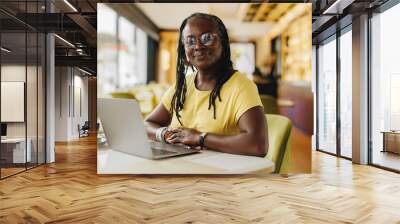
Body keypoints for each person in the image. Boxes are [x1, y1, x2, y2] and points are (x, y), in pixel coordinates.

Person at [144, 13, 268, 157]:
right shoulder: (182, 86)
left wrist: (200, 138)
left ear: (222, 43)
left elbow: (257, 145)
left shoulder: (241, 86)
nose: (198, 46)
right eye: (190, 40)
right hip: (181, 165)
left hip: (221, 172)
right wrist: (164, 134)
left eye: (207, 38)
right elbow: (147, 124)